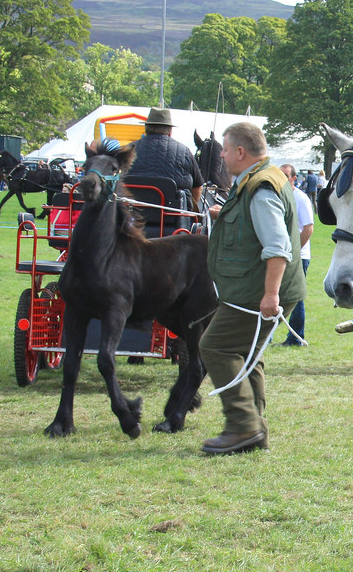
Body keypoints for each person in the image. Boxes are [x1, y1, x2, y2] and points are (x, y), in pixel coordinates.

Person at [200, 122, 306, 455]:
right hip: (259, 289)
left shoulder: (260, 187)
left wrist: (270, 295)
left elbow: (277, 248)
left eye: (226, 148)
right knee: (246, 354)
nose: (222, 154)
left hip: (257, 292)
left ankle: (243, 425)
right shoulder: (261, 179)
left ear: (241, 152)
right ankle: (253, 427)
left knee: (215, 346)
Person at [126, 107, 204, 206]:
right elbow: (197, 188)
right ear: (170, 132)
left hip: (132, 215)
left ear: (146, 129)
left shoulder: (128, 150)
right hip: (174, 218)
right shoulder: (185, 152)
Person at [278, 163, 314, 347]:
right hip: (283, 254)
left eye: (285, 175)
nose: (281, 178)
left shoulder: (300, 198)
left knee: (295, 296)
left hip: (298, 255)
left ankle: (296, 337)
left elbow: (308, 228)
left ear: (294, 179)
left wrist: (294, 251)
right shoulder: (280, 196)